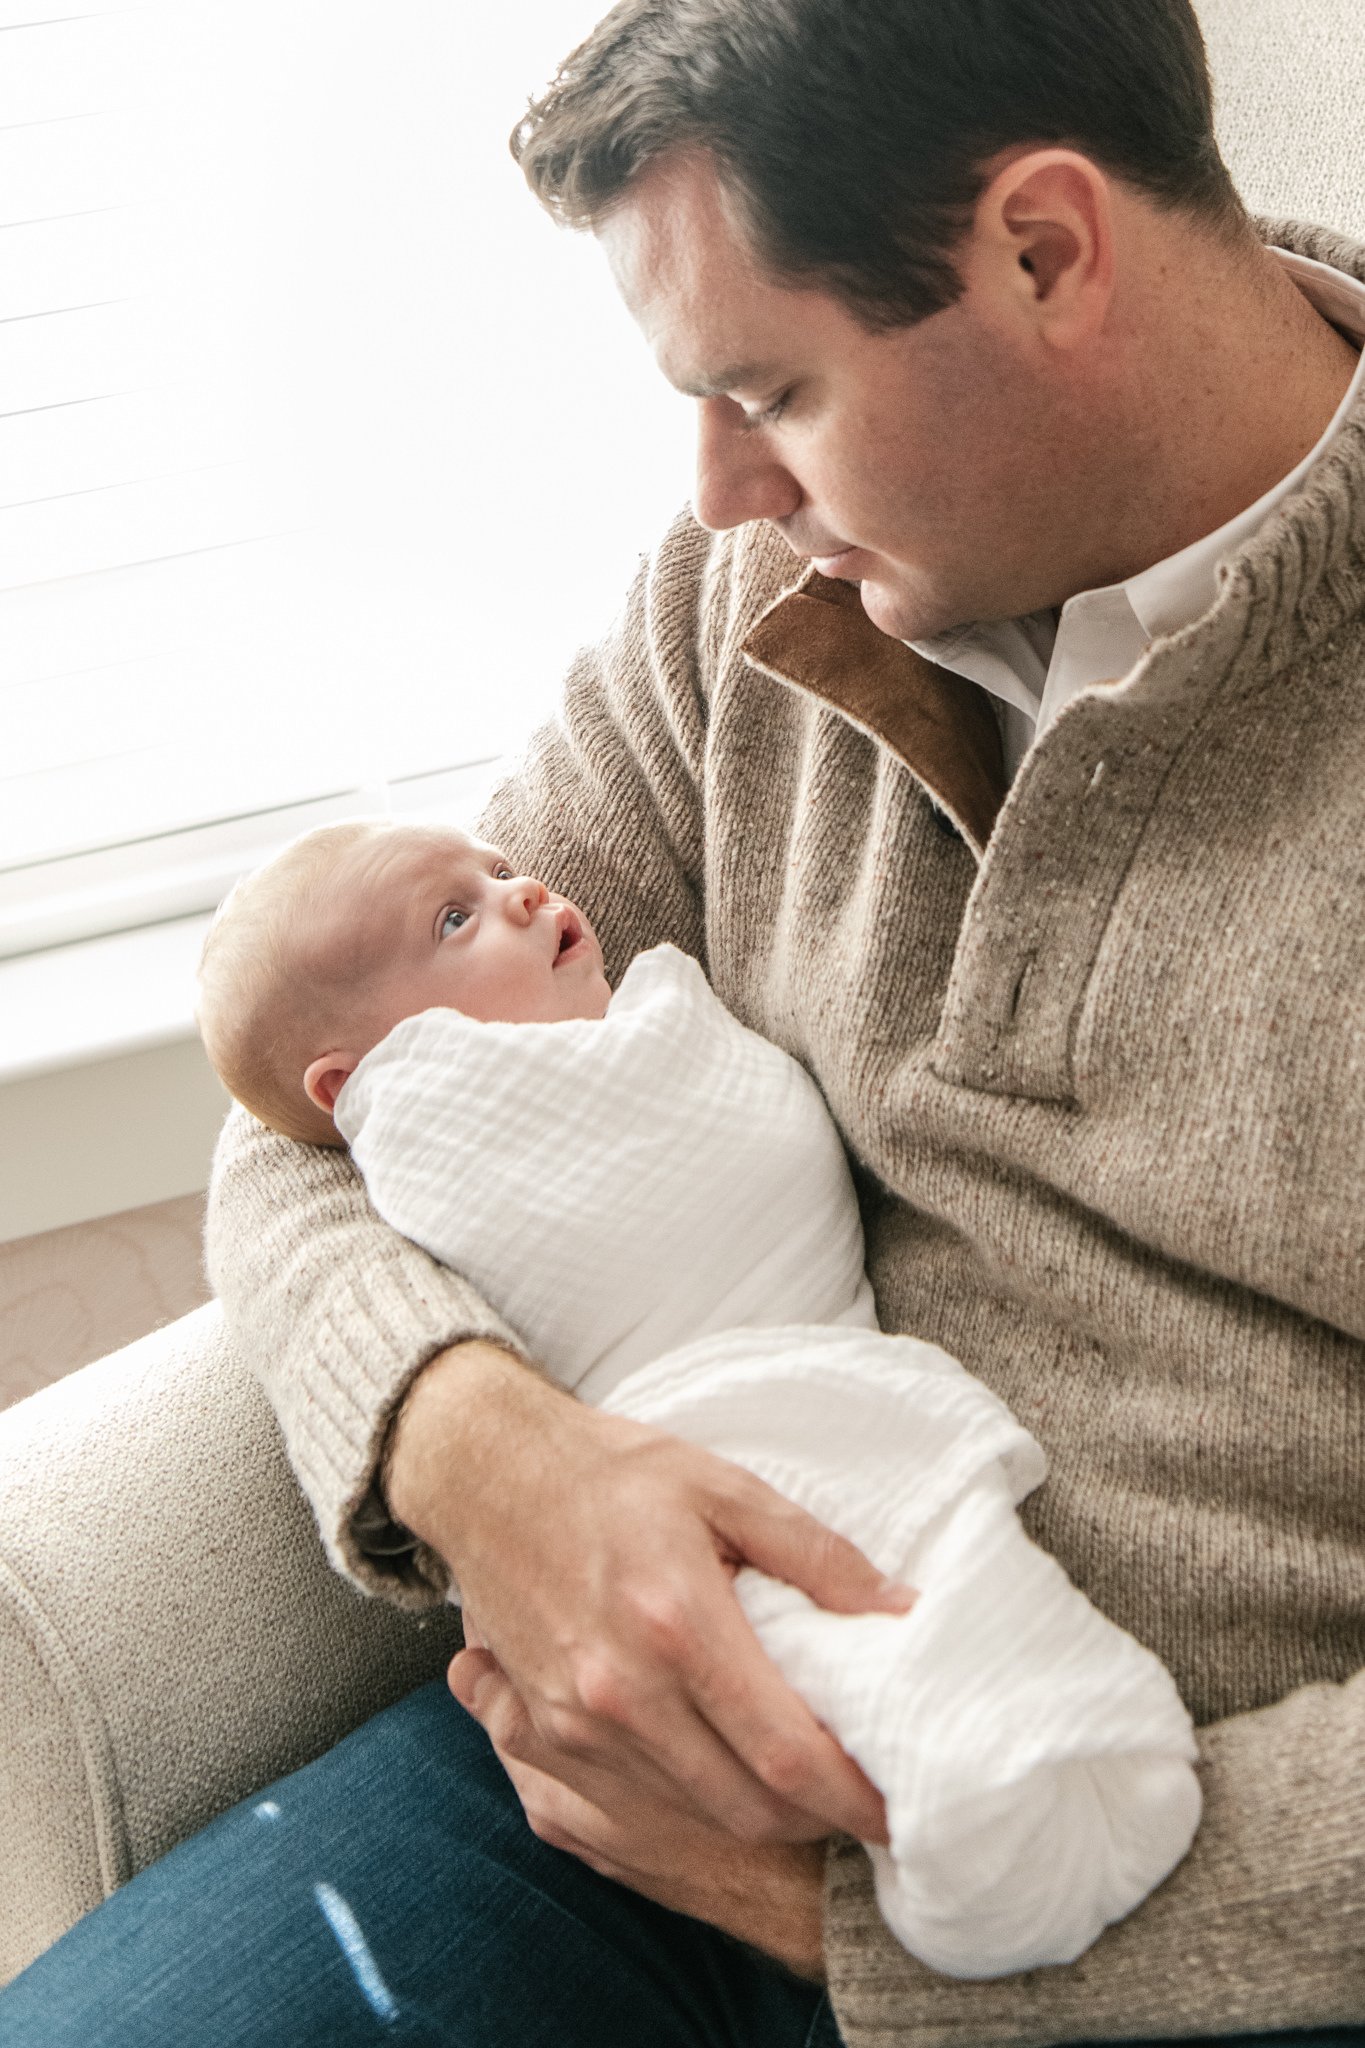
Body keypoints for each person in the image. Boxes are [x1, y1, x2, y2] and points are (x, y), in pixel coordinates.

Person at [4, 0, 1364, 2042]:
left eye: (769, 391)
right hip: (643, 1764)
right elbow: (328, 1104)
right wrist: (485, 1456)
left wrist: (906, 1938)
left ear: (1043, 252)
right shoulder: (751, 611)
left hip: (1178, 1876)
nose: (722, 493)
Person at [191, 813, 1202, 1977]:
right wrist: (478, 1450)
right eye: (460, 913)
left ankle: (1010, 1826)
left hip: (851, 1426)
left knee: (930, 1620)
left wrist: (831, 1932)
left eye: (500, 875)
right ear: (362, 1081)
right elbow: (277, 1139)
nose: (525, 891)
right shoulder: (707, 656)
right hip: (631, 1591)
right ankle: (997, 1814)